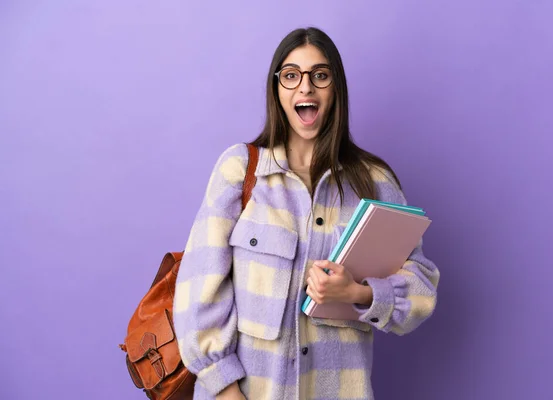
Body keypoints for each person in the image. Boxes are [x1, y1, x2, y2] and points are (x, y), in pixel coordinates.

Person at [173, 26, 440, 400]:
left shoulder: (375, 182)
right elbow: (198, 289)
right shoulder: (240, 171)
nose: (305, 88)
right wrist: (225, 390)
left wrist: (359, 293)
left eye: (320, 75)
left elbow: (421, 289)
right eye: (291, 75)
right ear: (277, 88)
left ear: (335, 89)